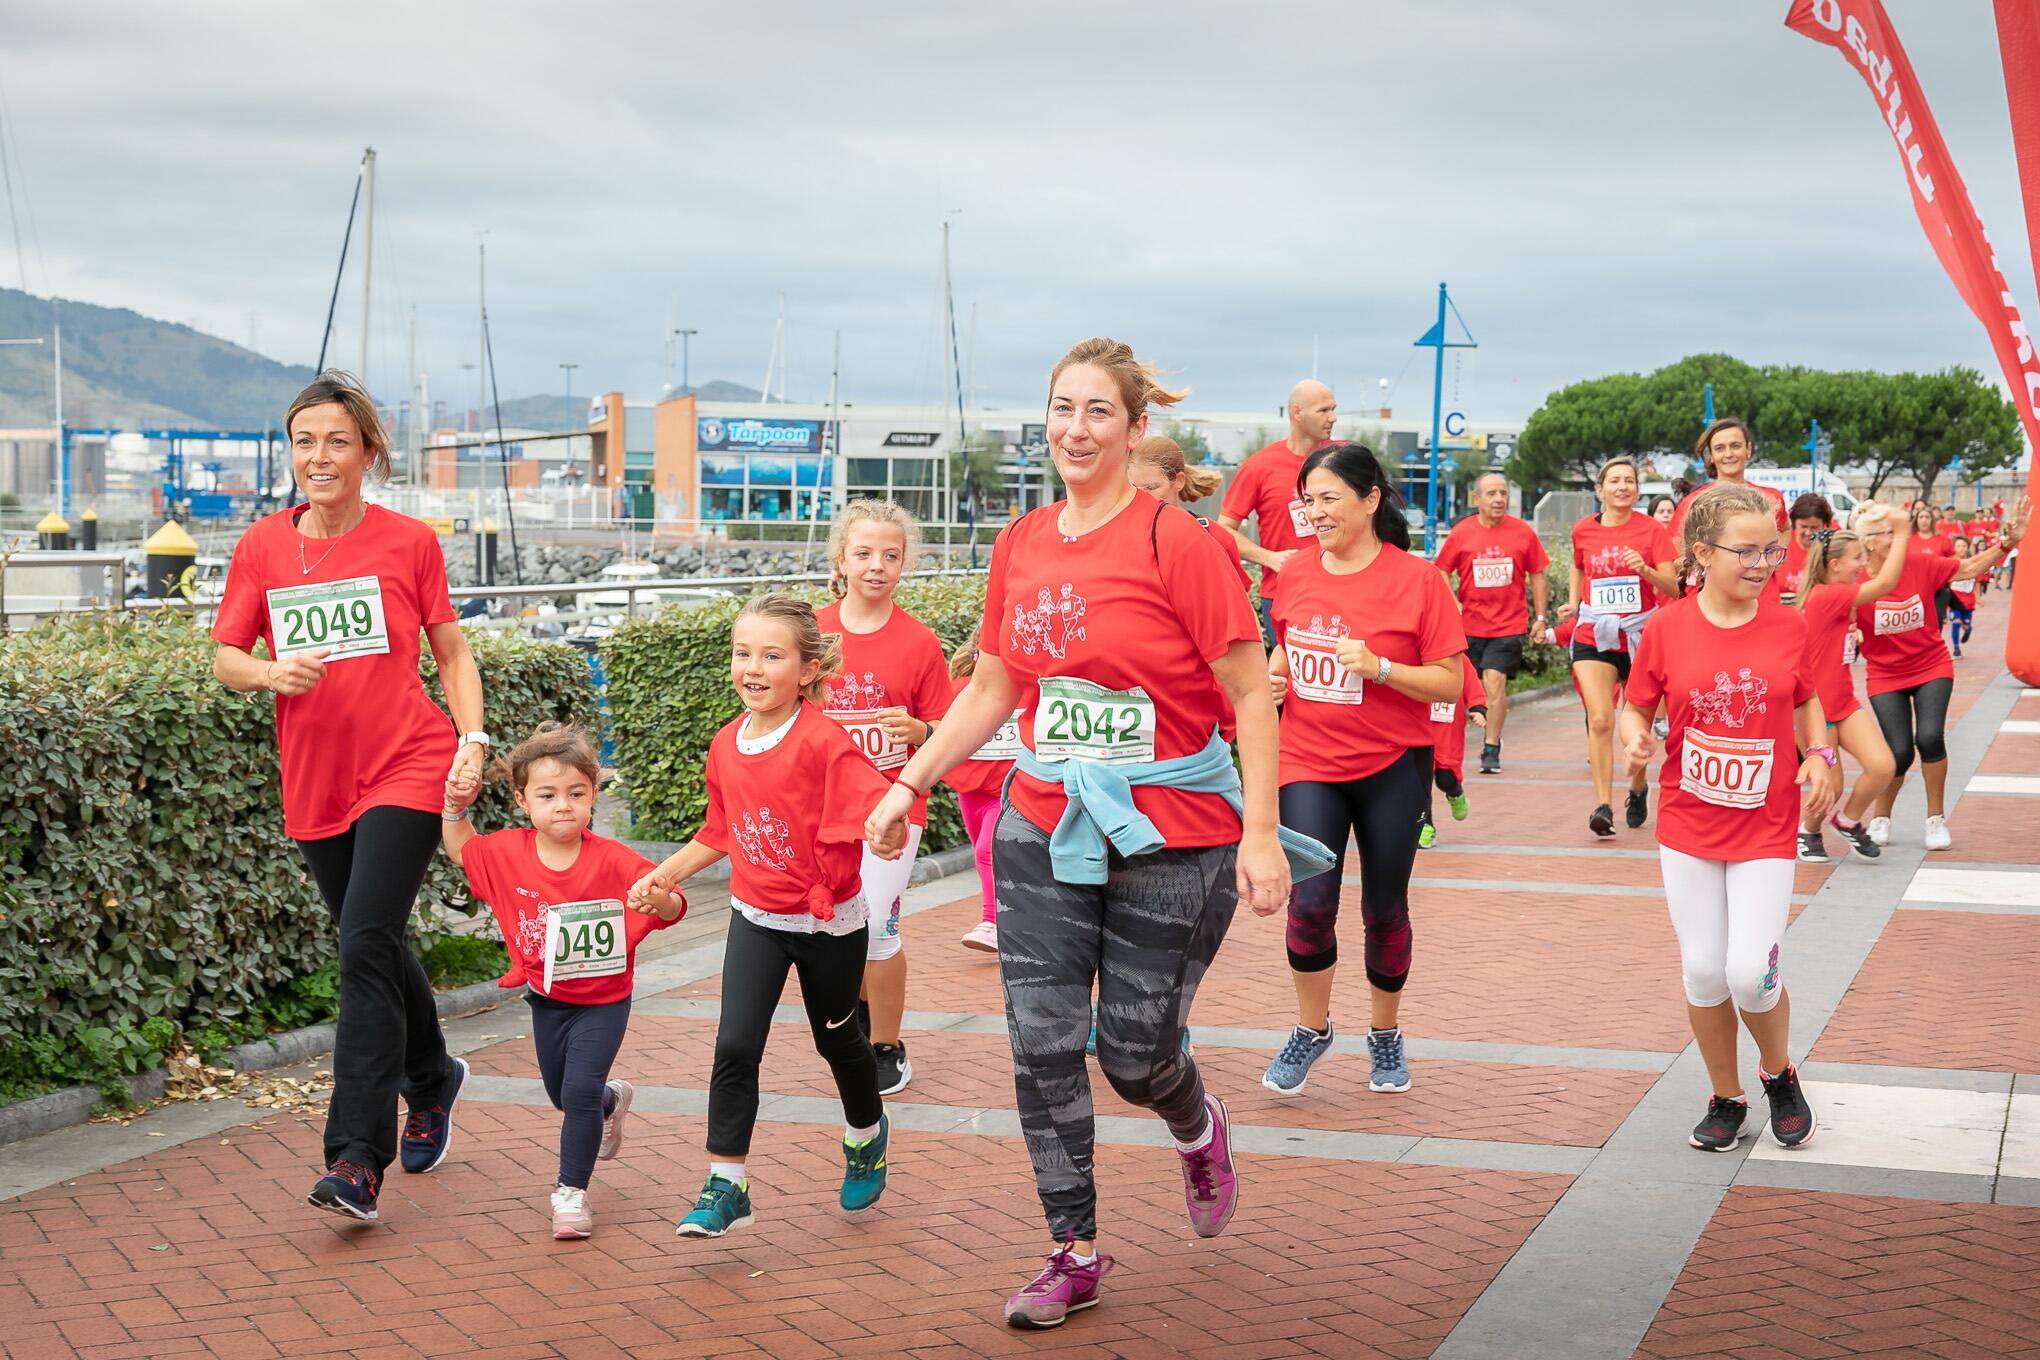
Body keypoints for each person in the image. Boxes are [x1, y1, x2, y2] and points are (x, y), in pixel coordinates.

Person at [864, 338, 1292, 1330]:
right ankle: (1074, 1249)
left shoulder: (1178, 543)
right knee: (1042, 1042)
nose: (1076, 429)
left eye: (1099, 412)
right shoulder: (1024, 542)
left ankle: (1196, 1122)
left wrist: (1261, 832)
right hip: (1044, 821)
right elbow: (996, 688)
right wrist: (910, 783)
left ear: (1136, 429)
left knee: (1135, 1059)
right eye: (1062, 409)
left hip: (1175, 832)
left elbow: (1247, 692)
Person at [210, 371, 487, 1223]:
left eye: (336, 440)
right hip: (317, 776)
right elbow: (225, 658)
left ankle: (354, 1161)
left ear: (368, 451)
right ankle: (434, 1075)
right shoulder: (263, 546)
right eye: (304, 441)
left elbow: (451, 653)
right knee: (370, 939)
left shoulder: (409, 543)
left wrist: (472, 739)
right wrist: (267, 670)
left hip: (407, 761)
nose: (318, 456)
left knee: (363, 941)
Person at [630, 593, 905, 1239]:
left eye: (771, 655)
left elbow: (876, 807)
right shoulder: (726, 744)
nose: (752, 667)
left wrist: (886, 833)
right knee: (734, 1044)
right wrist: (663, 874)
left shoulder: (824, 741)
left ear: (808, 670)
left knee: (837, 1039)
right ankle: (726, 1182)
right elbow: (721, 830)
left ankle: (866, 1133)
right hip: (755, 916)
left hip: (828, 922)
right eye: (742, 653)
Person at [1621, 483, 1840, 1155]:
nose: (1763, 562)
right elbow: (1638, 705)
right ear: (1701, 554)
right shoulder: (1666, 627)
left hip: (1766, 825)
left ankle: (1779, 1074)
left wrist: (1821, 753)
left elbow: (1805, 700)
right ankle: (1726, 1095)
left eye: (1771, 548)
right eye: (1746, 550)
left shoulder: (1787, 623)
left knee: (1749, 970)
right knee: (1705, 971)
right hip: (1688, 824)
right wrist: (1633, 735)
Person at [1263, 443, 1466, 1096]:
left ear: (1370, 499)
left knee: (1384, 909)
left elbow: (1449, 683)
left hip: (1392, 766)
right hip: (1308, 760)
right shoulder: (1293, 573)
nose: (1316, 512)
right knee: (1310, 903)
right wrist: (1274, 676)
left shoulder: (1418, 581)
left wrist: (1380, 668)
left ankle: (1384, 1034)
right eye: (1309, 500)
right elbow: (1283, 652)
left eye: (1329, 498)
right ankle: (1311, 1028)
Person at [439, 724, 686, 1239]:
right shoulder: (507, 852)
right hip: (547, 1000)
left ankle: (570, 1193)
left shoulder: (615, 860)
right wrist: (454, 808)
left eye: (576, 794)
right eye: (547, 795)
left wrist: (660, 899)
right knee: (564, 1093)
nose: (563, 806)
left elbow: (672, 904)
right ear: (522, 801)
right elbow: (461, 848)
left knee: (576, 1091)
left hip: (604, 1001)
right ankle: (610, 1103)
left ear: (594, 795)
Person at [817, 500, 953, 1095]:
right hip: (820, 813)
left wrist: (919, 732)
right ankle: (861, 1017)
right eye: (865, 554)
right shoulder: (811, 632)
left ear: (906, 563)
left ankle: (887, 1045)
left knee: (877, 930)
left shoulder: (919, 643)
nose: (877, 566)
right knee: (838, 930)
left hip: (894, 811)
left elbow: (949, 730)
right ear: (840, 559)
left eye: (891, 556)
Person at [1857, 496, 2030, 849]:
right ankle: (1880, 817)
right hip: (1885, 674)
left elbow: (1969, 567)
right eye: (1890, 533)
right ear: (1869, 541)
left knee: (1930, 737)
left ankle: (1935, 819)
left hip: (1930, 665)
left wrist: (2008, 542)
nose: (1900, 538)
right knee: (1899, 750)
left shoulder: (1920, 563)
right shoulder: (1855, 581)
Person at [1559, 456, 1678, 837]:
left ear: (1637, 490)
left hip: (1639, 636)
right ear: (1600, 490)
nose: (1622, 486)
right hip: (1593, 633)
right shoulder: (1583, 530)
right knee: (1601, 719)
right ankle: (1602, 806)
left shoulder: (1651, 531)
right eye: (1614, 481)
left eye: (1629, 481)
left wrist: (1644, 569)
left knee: (1637, 721)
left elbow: (1674, 587)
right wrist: (1574, 602)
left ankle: (1639, 787)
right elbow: (1578, 567)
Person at [1791, 506, 1907, 863]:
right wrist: (1901, 532)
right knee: (1832, 784)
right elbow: (1886, 583)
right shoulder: (1825, 596)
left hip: (1843, 702)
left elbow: (1875, 574)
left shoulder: (1836, 593)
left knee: (1884, 765)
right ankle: (1807, 832)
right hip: (1815, 711)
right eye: (1856, 557)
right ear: (1835, 565)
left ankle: (1849, 820)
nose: (1862, 563)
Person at [1433, 471, 1548, 774]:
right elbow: (1441, 569)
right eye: (1491, 494)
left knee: (1494, 681)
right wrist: (1451, 601)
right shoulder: (1461, 533)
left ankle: (1491, 746)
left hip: (1507, 625)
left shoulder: (1523, 532)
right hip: (1467, 627)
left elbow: (1538, 573)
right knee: (1458, 689)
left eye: (1502, 493)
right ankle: (1449, 749)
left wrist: (1539, 617)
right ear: (1476, 498)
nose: (1498, 499)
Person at [1219, 380, 1337, 642]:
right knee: (1287, 678)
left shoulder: (1344, 460)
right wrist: (1268, 558)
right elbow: (1223, 529)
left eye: (1333, 409)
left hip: (1341, 589)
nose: (1333, 418)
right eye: (1323, 411)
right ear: (1297, 413)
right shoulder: (1260, 466)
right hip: (1283, 594)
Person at [940, 626, 1015, 954]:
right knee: (983, 853)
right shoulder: (959, 691)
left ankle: (992, 923)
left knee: (988, 851)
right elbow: (940, 729)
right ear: (975, 657)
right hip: (970, 790)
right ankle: (1015, 919)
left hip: (1009, 792)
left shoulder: (1025, 690)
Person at [1132, 435, 1250, 593]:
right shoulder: (1113, 536)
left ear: (1179, 481)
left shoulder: (1215, 537)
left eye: (1151, 487)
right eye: (1132, 487)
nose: (1141, 496)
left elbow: (1238, 607)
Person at [1668, 419, 1790, 545]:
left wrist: (1774, 558)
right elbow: (1674, 555)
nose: (1728, 454)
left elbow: (1785, 530)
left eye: (1735, 446)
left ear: (1748, 449)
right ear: (1711, 455)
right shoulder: (1692, 503)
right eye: (1720, 448)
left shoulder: (1771, 498)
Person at [1418, 657, 1487, 849]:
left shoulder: (1459, 660)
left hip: (1448, 733)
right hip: (1421, 729)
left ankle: (1455, 793)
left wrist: (1478, 708)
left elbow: (1472, 684)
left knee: (1445, 778)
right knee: (1421, 781)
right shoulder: (1414, 656)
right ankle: (1425, 827)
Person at [1779, 493, 1833, 603]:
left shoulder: (1832, 548)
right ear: (1794, 523)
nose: (1808, 532)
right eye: (1803, 527)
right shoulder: (1782, 543)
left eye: (1814, 527)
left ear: (1824, 525)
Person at [1948, 535, 1977, 657]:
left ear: (1967, 548)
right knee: (1956, 622)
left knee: (1966, 624)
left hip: (1968, 601)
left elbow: (1976, 581)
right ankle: (1956, 648)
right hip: (1954, 599)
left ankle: (1968, 629)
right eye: (1958, 546)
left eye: (1964, 546)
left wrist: (1978, 597)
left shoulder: (1972, 562)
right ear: (1954, 548)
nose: (1961, 548)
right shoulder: (1949, 562)